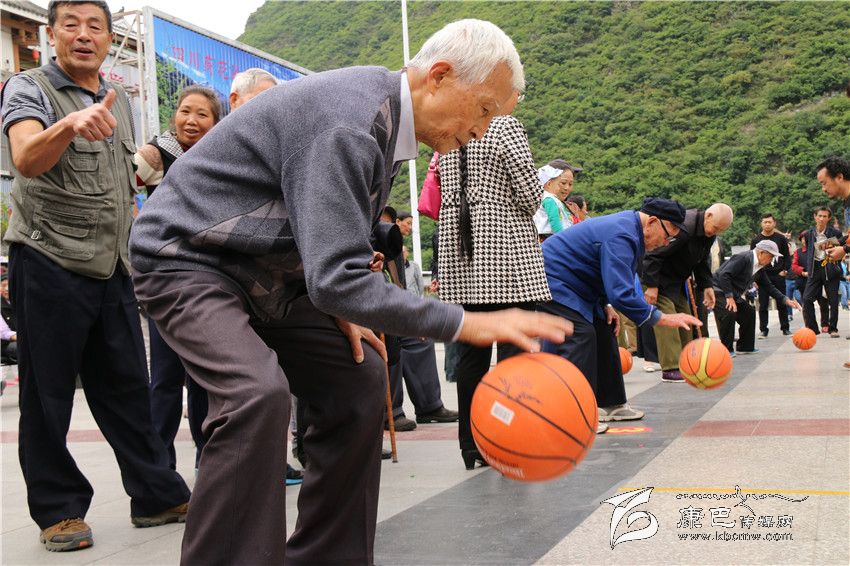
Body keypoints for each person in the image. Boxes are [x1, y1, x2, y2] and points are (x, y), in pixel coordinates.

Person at [128, 19, 570, 565]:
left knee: (359, 380)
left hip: (269, 275)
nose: (481, 131)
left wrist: (340, 297)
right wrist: (466, 321)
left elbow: (333, 252)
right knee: (255, 395)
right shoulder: (352, 120)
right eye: (483, 110)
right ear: (439, 76)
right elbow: (336, 278)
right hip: (190, 259)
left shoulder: (388, 124)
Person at [1, 0, 190, 552]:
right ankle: (58, 509)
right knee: (48, 395)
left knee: (128, 387)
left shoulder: (118, 99)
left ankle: (155, 495)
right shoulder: (28, 87)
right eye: (71, 25)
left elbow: (122, 180)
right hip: (48, 259)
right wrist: (68, 124)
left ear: (108, 39)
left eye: (95, 27)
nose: (83, 35)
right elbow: (26, 157)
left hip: (112, 266)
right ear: (51, 34)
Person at [438, 113, 554, 469]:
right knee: (513, 355)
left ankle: (471, 444)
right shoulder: (505, 126)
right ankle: (507, 439)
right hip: (504, 251)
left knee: (471, 356)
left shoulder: (451, 125)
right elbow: (531, 195)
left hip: (462, 253)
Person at [541, 197, 703, 433]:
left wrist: (605, 305)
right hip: (552, 279)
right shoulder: (622, 234)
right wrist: (661, 317)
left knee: (605, 327)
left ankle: (611, 403)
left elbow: (606, 276)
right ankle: (572, 414)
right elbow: (621, 293)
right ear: (653, 222)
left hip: (580, 287)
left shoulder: (631, 231)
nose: (665, 243)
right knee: (579, 335)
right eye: (668, 236)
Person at [134, 85, 222, 472]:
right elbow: (119, 182)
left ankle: (209, 461)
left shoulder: (223, 156)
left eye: (202, 114)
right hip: (165, 281)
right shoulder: (158, 154)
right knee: (166, 377)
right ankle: (160, 471)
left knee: (205, 377)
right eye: (185, 111)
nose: (191, 120)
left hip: (209, 281)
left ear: (216, 122)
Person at [642, 204, 734, 382]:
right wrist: (652, 286)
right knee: (667, 320)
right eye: (715, 228)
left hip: (675, 281)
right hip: (656, 277)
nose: (715, 233)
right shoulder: (684, 226)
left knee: (685, 321)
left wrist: (707, 286)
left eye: (720, 231)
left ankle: (687, 363)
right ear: (708, 215)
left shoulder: (708, 234)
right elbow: (653, 255)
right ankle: (670, 368)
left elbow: (701, 261)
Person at [712, 241, 801, 356]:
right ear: (761, 253)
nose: (771, 260)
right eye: (771, 256)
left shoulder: (759, 268)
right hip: (718, 289)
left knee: (748, 312)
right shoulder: (743, 258)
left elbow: (769, 287)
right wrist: (729, 296)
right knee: (729, 312)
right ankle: (726, 350)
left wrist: (786, 300)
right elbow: (724, 275)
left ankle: (745, 346)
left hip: (733, 294)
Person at [815, 156, 850, 367]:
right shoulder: (847, 204)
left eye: (824, 183)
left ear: (839, 177)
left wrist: (844, 250)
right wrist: (834, 243)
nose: (823, 189)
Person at [801, 206, 843, 337]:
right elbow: (809, 252)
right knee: (807, 299)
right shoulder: (808, 234)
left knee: (833, 300)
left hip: (830, 267)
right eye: (819, 216)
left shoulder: (835, 233)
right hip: (815, 268)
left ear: (829, 218)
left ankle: (833, 328)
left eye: (825, 216)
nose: (822, 219)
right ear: (815, 217)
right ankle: (812, 328)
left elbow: (841, 251)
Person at [750, 213, 791, 337]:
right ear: (761, 224)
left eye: (770, 222)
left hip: (778, 274)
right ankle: (763, 329)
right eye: (765, 222)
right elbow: (752, 258)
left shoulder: (781, 238)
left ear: (774, 223)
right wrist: (754, 278)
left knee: (782, 302)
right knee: (763, 304)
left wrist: (785, 270)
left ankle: (785, 327)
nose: (767, 224)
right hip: (762, 275)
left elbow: (787, 256)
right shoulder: (756, 240)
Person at [533, 160, 578, 239]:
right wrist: (563, 239)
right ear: (549, 184)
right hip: (549, 237)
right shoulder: (549, 199)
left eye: (570, 184)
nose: (567, 188)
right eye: (563, 183)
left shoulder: (555, 200)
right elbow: (555, 221)